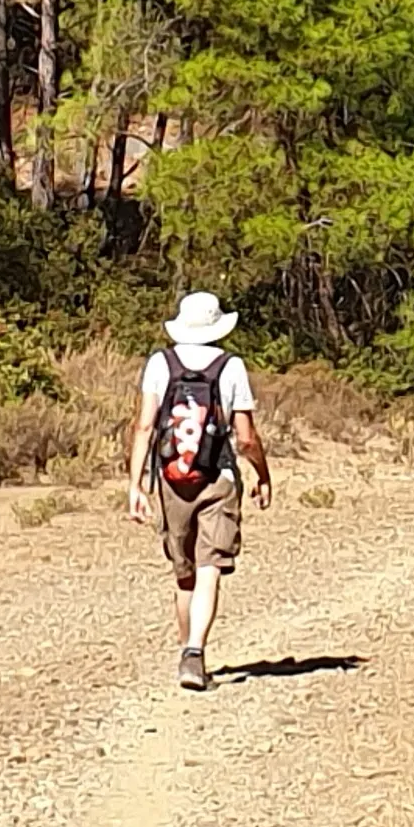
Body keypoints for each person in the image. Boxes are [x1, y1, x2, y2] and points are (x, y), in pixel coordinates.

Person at [125, 290, 271, 690]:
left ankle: (187, 652)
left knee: (184, 574)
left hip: (171, 481)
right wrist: (262, 473)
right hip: (217, 476)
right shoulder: (231, 367)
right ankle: (195, 653)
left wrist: (135, 484)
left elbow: (144, 426)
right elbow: (245, 436)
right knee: (210, 568)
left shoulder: (160, 363)